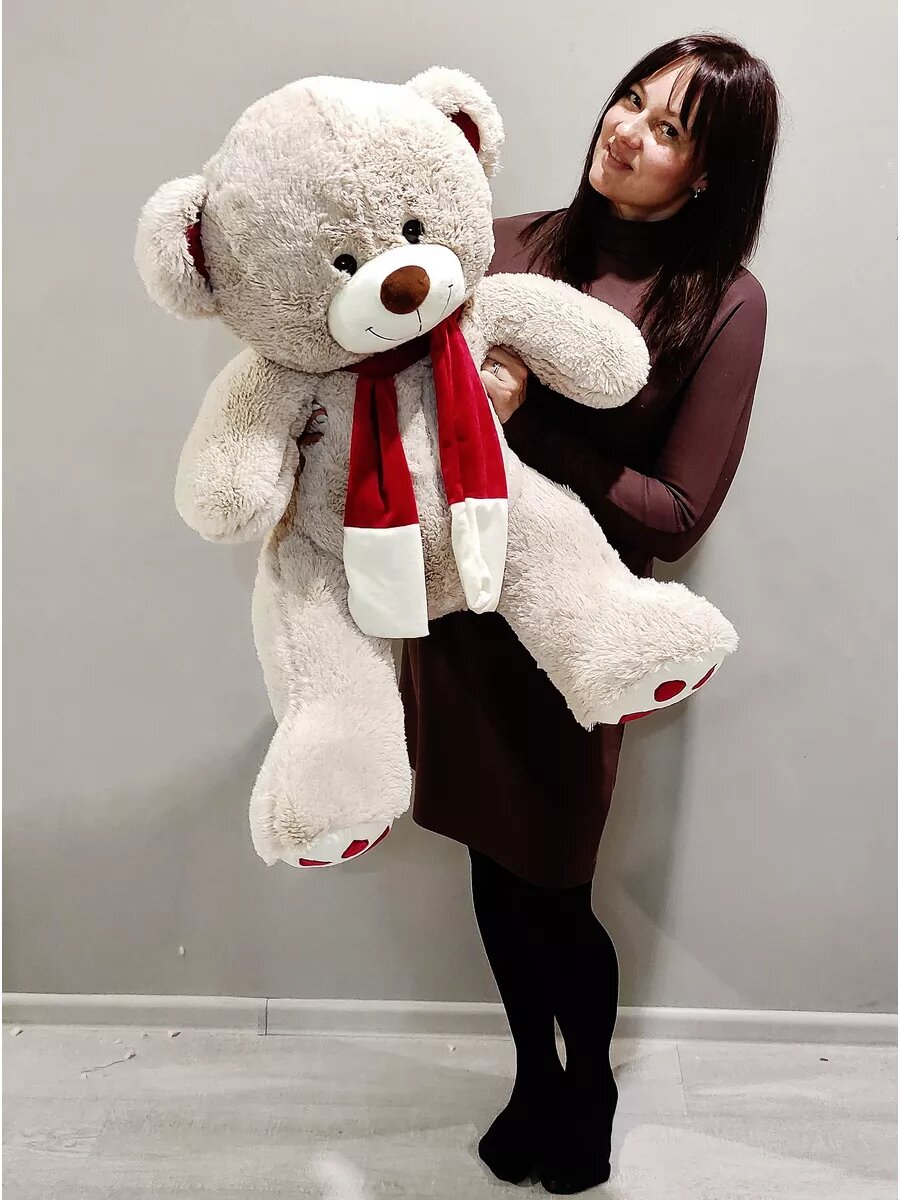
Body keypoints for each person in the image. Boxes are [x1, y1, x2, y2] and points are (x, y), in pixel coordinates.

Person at [400, 33, 781, 1196]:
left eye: (669, 128)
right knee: (488, 860)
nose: (627, 129)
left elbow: (676, 513)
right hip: (463, 615)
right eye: (631, 99)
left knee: (556, 883)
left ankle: (590, 1089)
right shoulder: (505, 242)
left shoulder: (724, 303)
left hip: (573, 644)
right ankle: (532, 1076)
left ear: (707, 174)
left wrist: (529, 420)